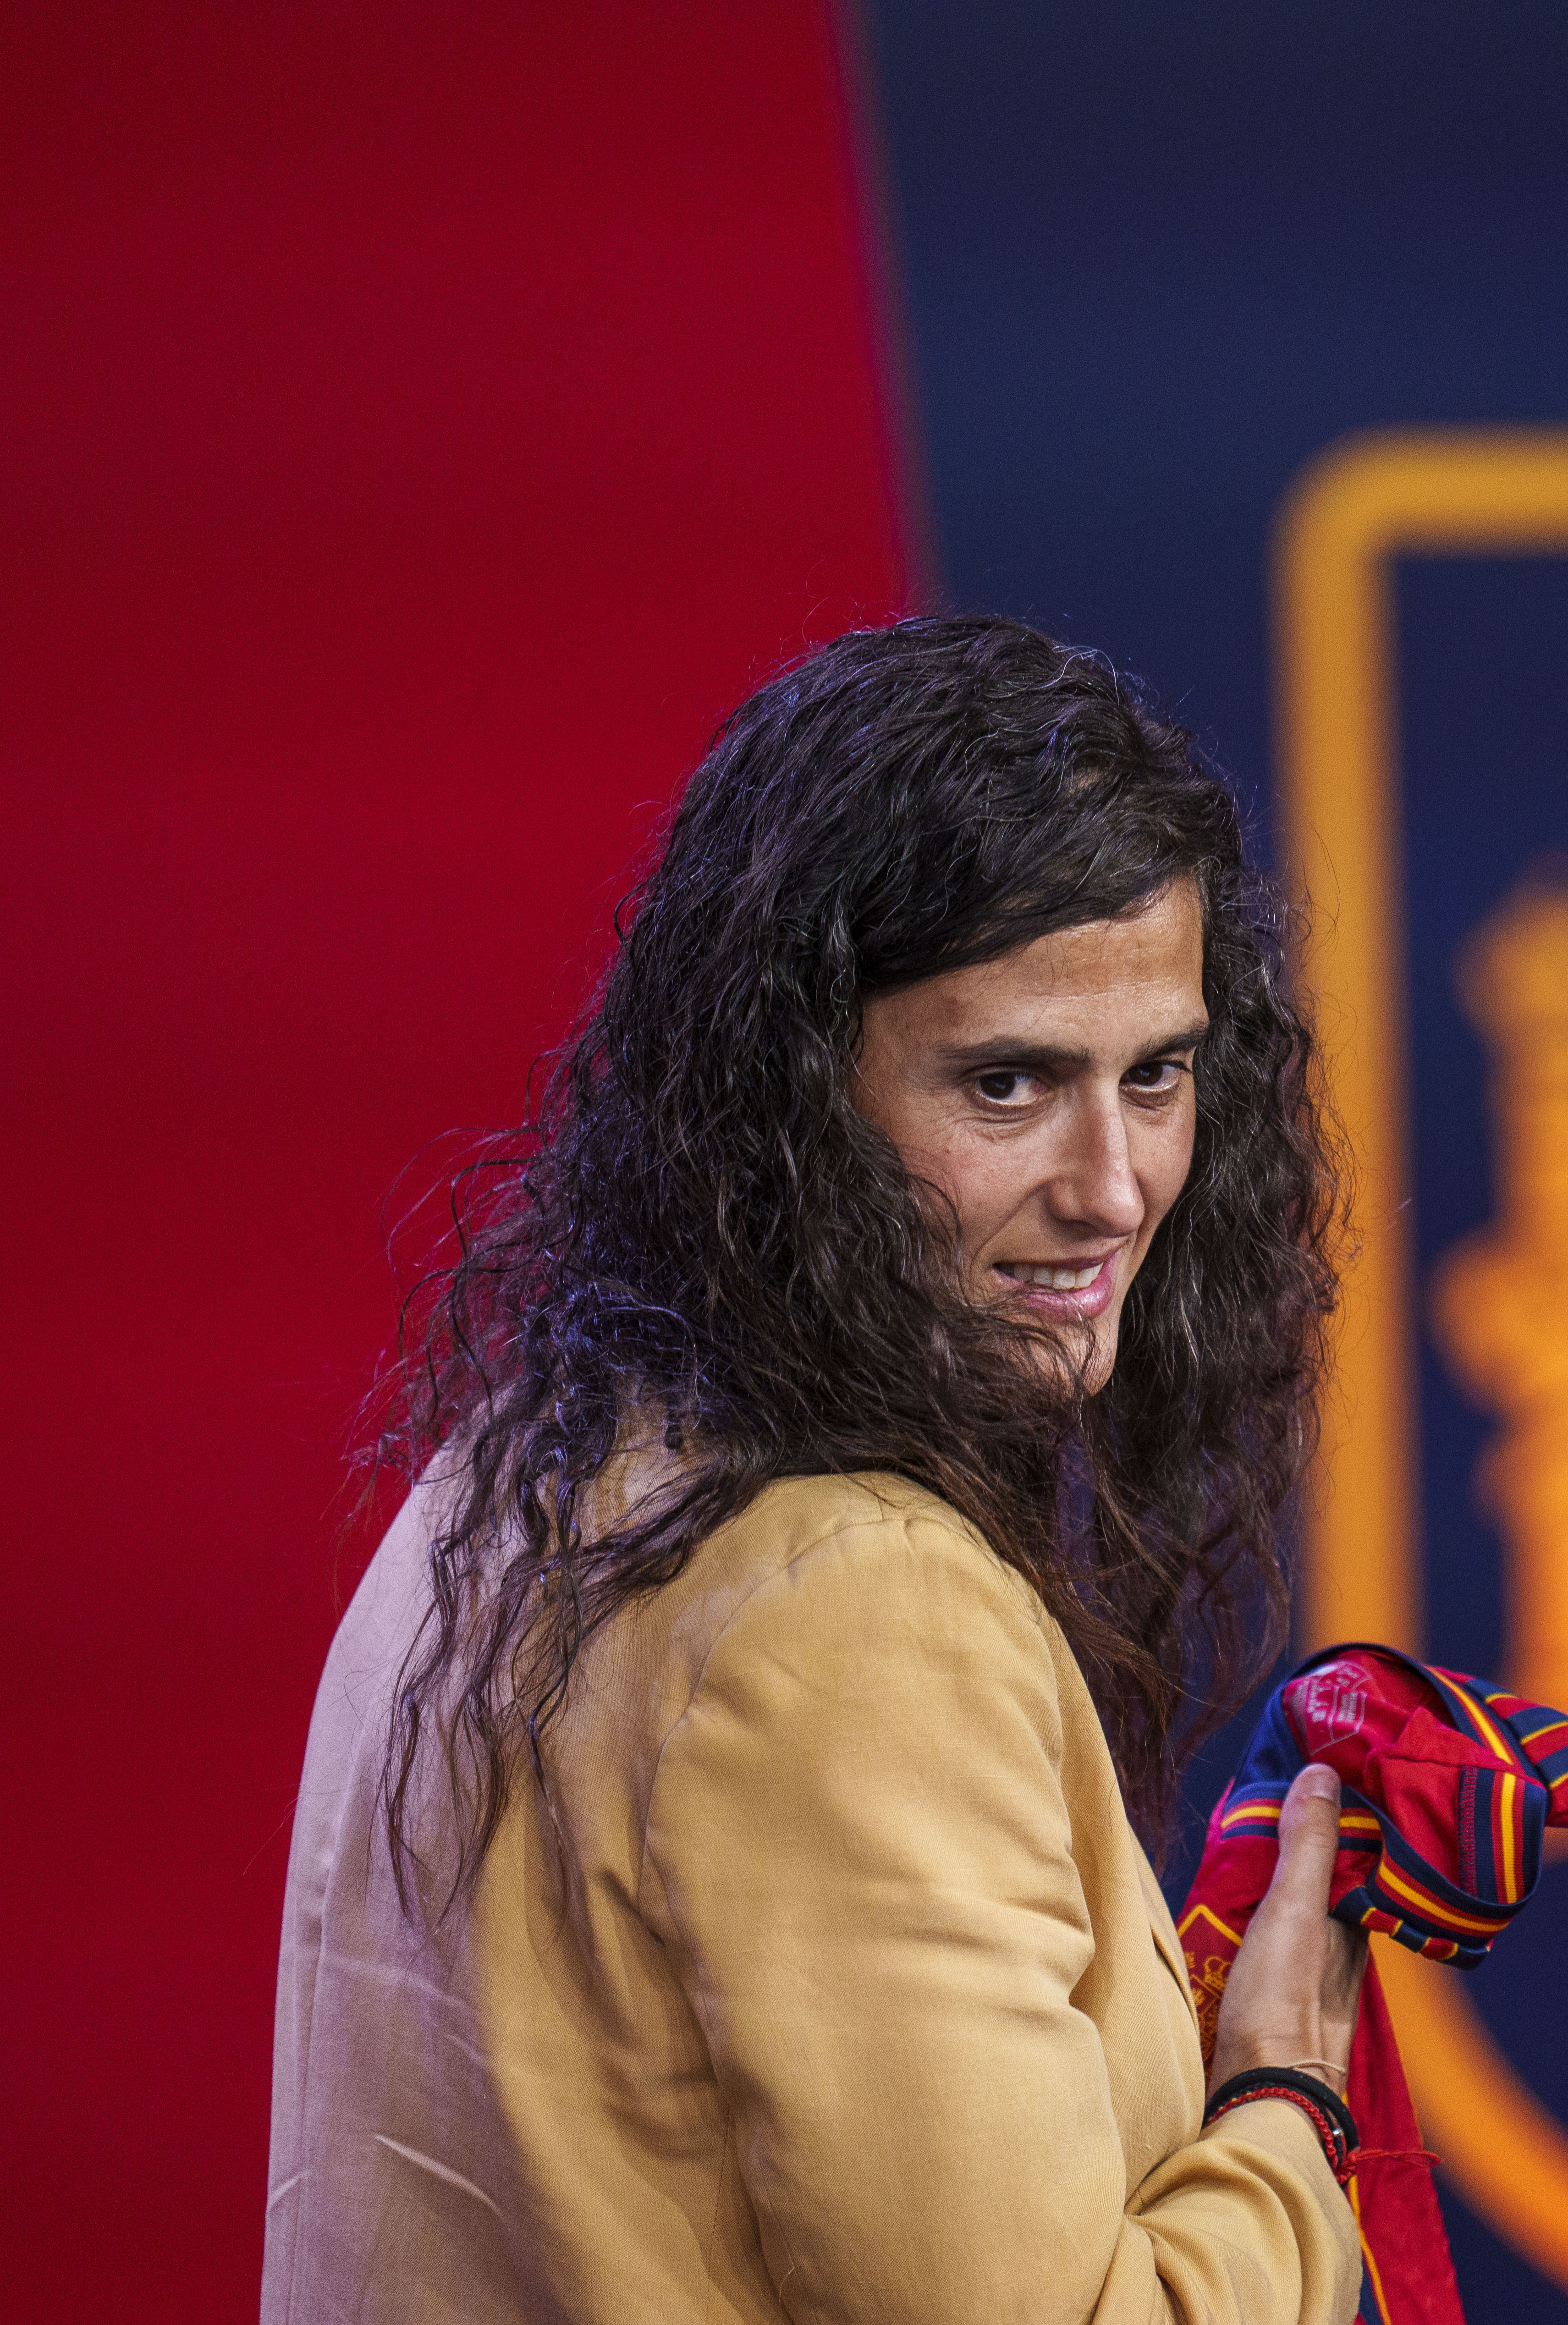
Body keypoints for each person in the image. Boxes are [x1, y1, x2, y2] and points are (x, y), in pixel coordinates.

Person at [264, 618, 1367, 2324]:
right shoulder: (855, 1610)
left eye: (1157, 1075)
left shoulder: (520, 1482)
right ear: (788, 1102)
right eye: (1006, 1085)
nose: (1116, 1185)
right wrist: (1287, 2095)